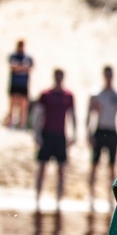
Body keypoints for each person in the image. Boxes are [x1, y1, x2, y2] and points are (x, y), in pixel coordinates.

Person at [33, 68, 77, 210]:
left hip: (60, 135)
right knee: (42, 167)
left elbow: (72, 115)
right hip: (47, 134)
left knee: (61, 169)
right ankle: (37, 198)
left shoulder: (68, 95)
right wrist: (37, 134)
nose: (58, 79)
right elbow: (38, 115)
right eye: (57, 76)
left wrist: (74, 133)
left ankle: (59, 200)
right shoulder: (46, 95)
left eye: (60, 76)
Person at [87, 66, 117, 209]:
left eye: (110, 75)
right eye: (107, 75)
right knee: (94, 164)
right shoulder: (97, 95)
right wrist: (89, 132)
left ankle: (110, 199)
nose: (108, 77)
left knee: (112, 166)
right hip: (100, 130)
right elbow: (90, 114)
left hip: (112, 131)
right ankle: (91, 196)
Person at [5, 39, 33, 129]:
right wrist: (22, 68)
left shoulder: (27, 57)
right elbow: (13, 67)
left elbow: (29, 68)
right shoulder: (13, 56)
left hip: (24, 84)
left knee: (23, 104)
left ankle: (22, 124)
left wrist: (19, 68)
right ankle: (10, 123)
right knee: (12, 103)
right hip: (15, 83)